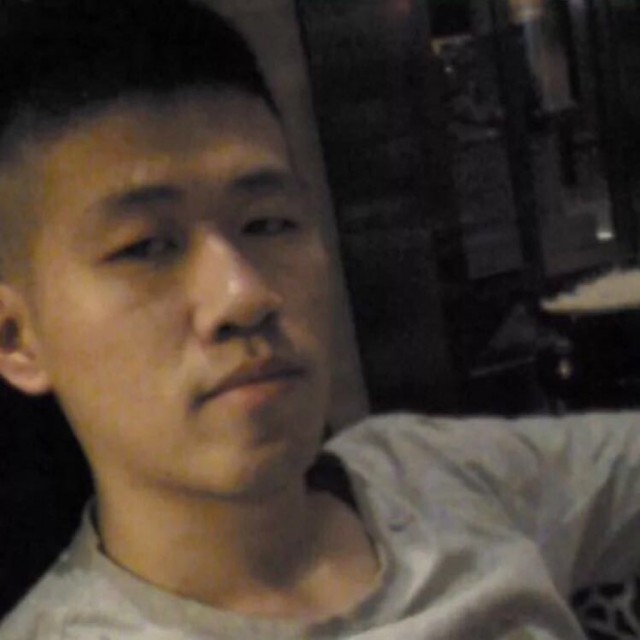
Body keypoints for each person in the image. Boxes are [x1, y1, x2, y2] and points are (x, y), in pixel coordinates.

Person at [0, 1, 639, 638]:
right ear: (15, 338)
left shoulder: (427, 475)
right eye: (144, 247)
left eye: (267, 223)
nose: (243, 296)